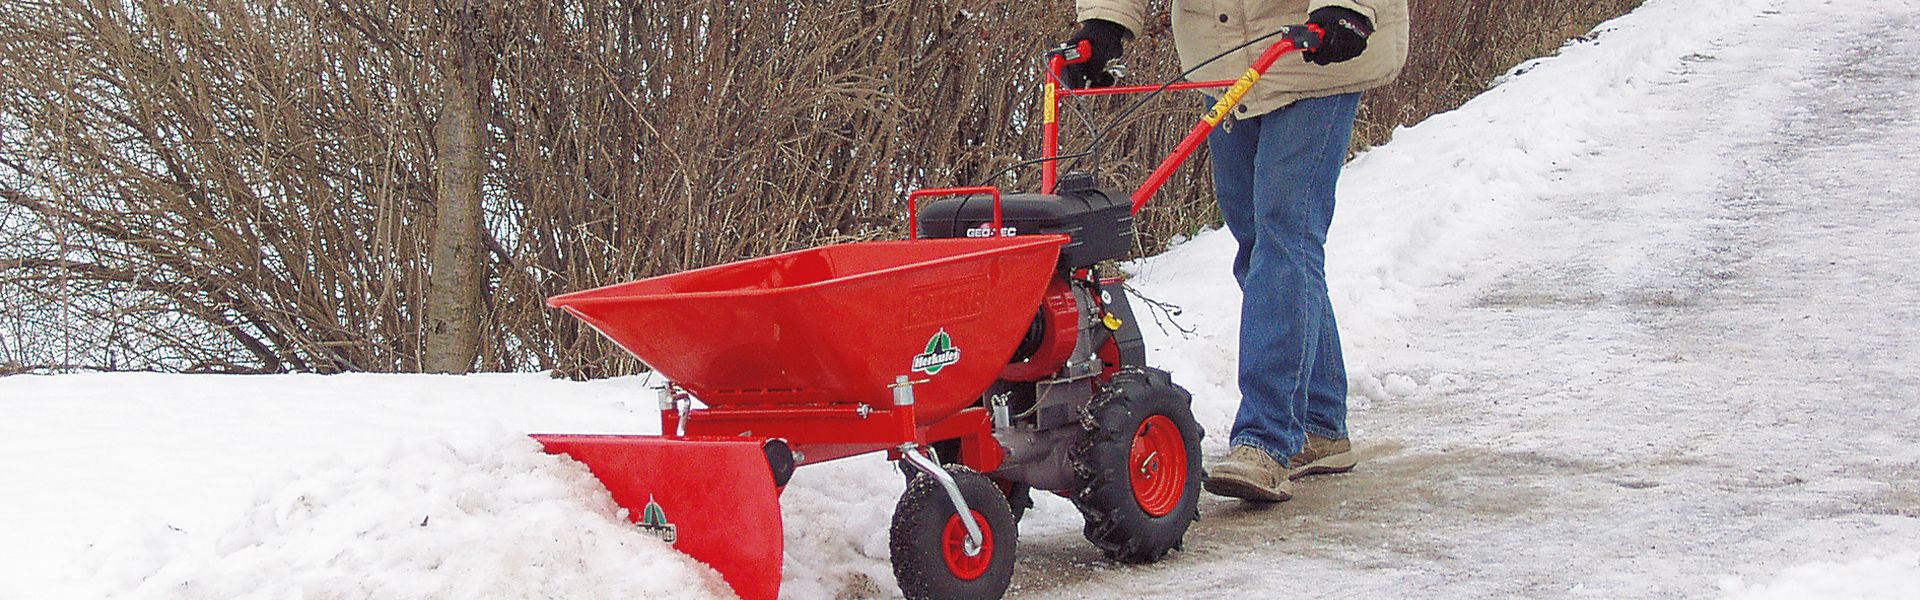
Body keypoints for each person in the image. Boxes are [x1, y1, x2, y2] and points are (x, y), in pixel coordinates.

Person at [1061, 1, 1408, 502]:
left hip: (1314, 56)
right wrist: (1107, 20)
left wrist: (1347, 8)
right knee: (1261, 246)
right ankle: (1321, 422)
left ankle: (1266, 440)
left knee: (1285, 240)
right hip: (1228, 62)